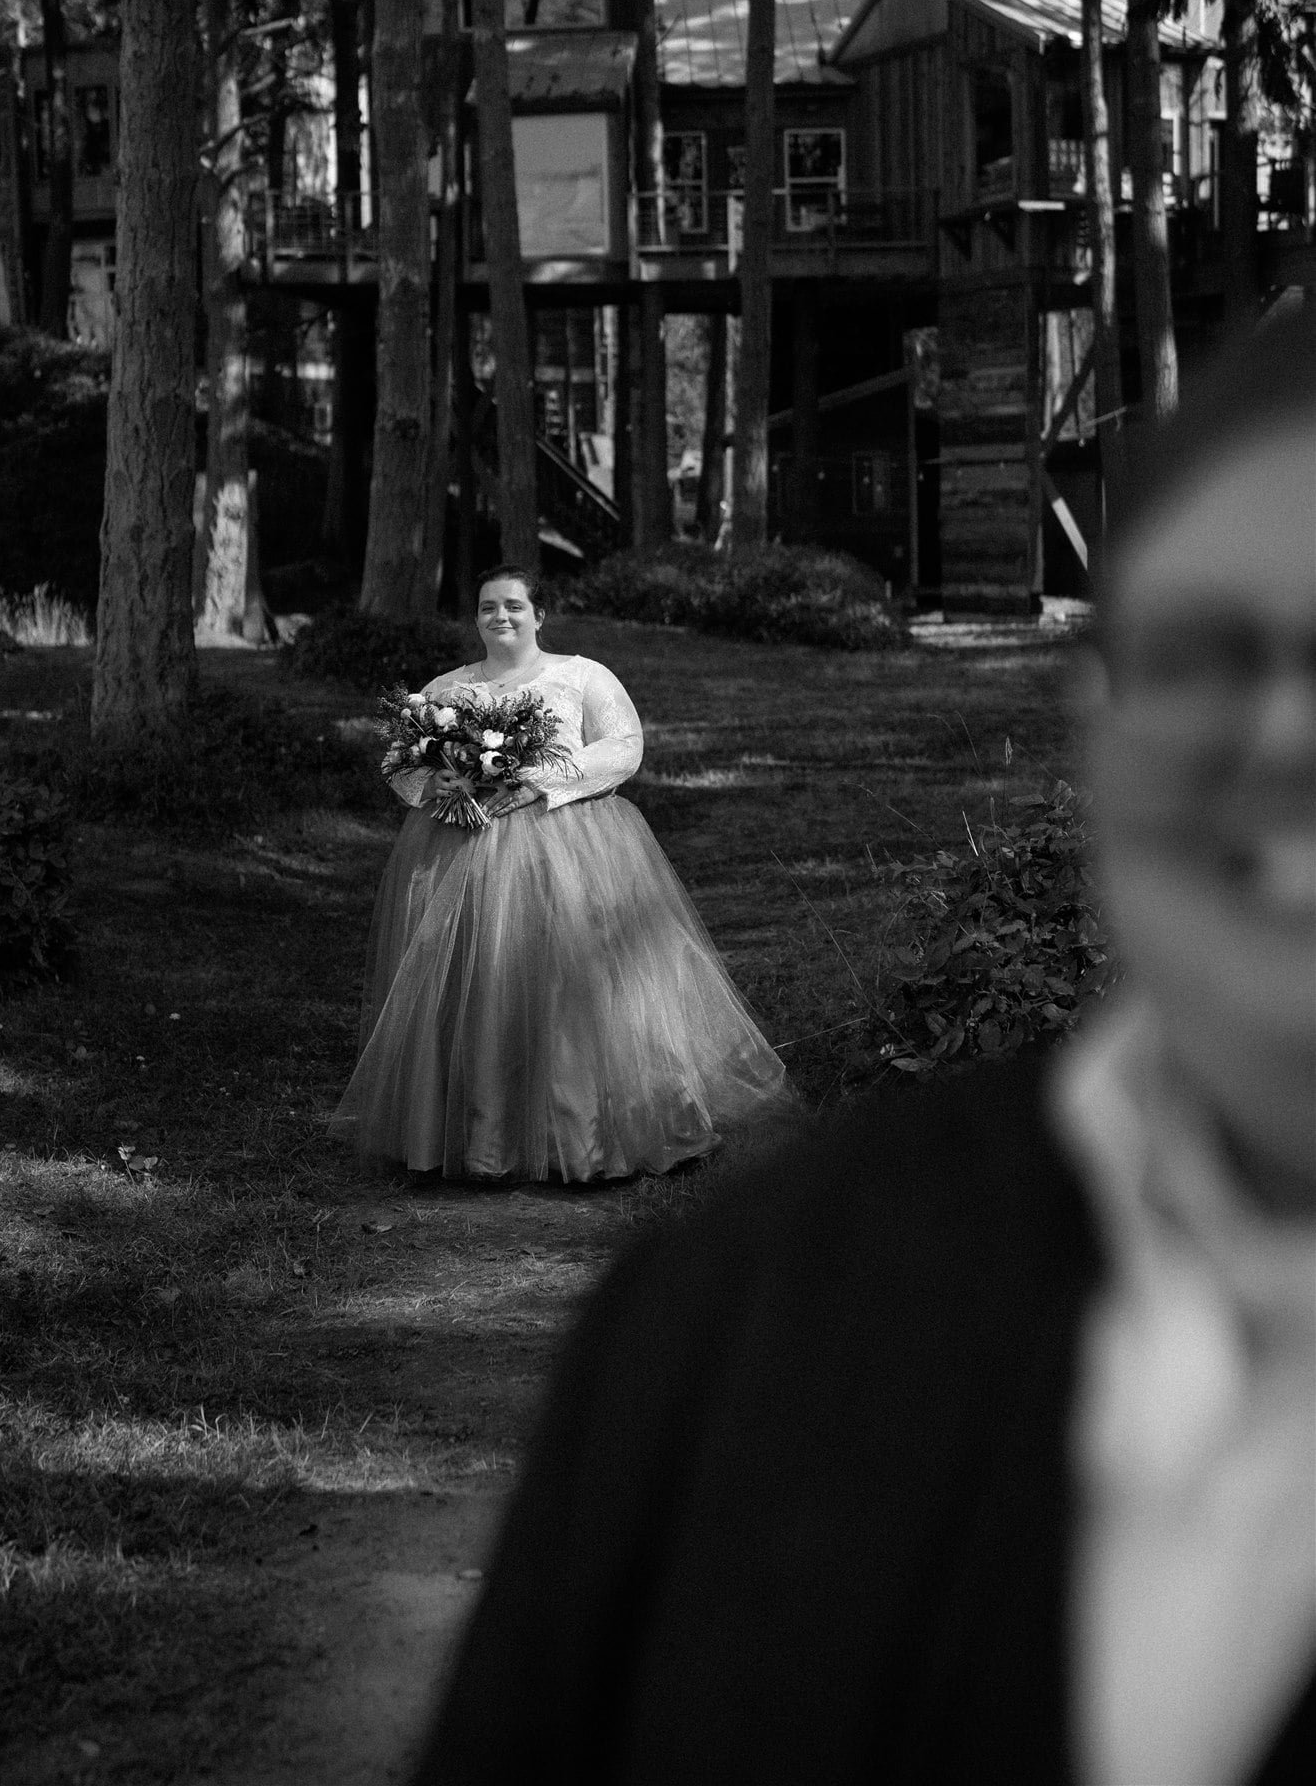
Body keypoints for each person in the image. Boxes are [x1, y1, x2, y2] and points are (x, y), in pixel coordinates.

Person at [410, 311, 1315, 1783]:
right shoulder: (727, 1315)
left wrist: (551, 776)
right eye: (1208, 656)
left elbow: (615, 742)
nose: (1281, 741)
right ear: (1093, 719)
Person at [331, 565, 788, 1181]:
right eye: (488, 606)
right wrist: (432, 782)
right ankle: (480, 1137)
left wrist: (538, 780)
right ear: (475, 619)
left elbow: (624, 745)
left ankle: (583, 1135)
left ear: (539, 616)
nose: (501, 617)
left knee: (568, 986)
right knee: (477, 985)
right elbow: (401, 759)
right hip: (464, 854)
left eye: (515, 606)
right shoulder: (445, 690)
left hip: (568, 849)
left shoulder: (581, 676)